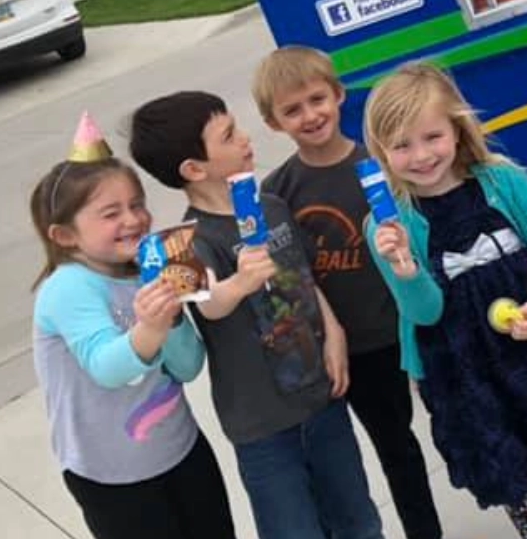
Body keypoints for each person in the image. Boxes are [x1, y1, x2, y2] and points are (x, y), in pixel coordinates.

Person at [363, 62, 527, 539]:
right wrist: (405, 272)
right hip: (462, 368)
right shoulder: (388, 226)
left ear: (456, 128)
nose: (421, 156)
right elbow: (427, 313)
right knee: (509, 465)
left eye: (432, 137)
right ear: (381, 152)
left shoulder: (503, 181)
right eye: (401, 145)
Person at [128, 91, 384, 539]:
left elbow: (302, 274)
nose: (245, 138)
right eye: (229, 135)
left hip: (322, 400)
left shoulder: (271, 205)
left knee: (359, 522)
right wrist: (239, 283)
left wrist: (335, 331)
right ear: (194, 169)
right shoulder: (184, 247)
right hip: (262, 428)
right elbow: (209, 303)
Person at [256, 46, 445, 539]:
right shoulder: (278, 193)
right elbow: (292, 279)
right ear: (273, 122)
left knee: (452, 426)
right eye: (292, 109)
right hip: (356, 348)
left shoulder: (384, 164)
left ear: (339, 95)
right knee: (395, 448)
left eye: (317, 98)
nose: (310, 115)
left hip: (416, 325)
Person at [30, 112, 235, 539]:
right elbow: (107, 367)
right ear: (65, 236)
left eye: (136, 204)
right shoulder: (68, 288)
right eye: (111, 213)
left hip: (180, 449)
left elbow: (188, 366)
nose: (133, 219)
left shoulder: (151, 267)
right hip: (111, 475)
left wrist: (174, 316)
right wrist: (152, 325)